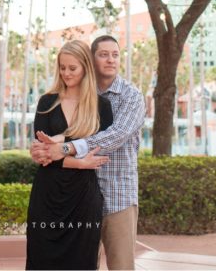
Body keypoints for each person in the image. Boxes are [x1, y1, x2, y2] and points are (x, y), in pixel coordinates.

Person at [32, 35, 145, 270]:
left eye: (115, 54)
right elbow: (54, 142)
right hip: (81, 193)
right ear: (91, 60)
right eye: (103, 54)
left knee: (121, 265)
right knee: (81, 263)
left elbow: (116, 135)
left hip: (117, 193)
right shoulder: (80, 94)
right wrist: (50, 146)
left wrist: (64, 146)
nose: (111, 60)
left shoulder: (131, 96)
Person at [26, 39, 111, 270]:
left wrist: (61, 146)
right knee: (42, 259)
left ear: (85, 67)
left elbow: (100, 149)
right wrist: (79, 163)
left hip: (83, 198)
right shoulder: (47, 102)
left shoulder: (101, 107)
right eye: (62, 68)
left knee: (81, 261)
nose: (66, 73)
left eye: (72, 68)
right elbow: (44, 156)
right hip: (48, 195)